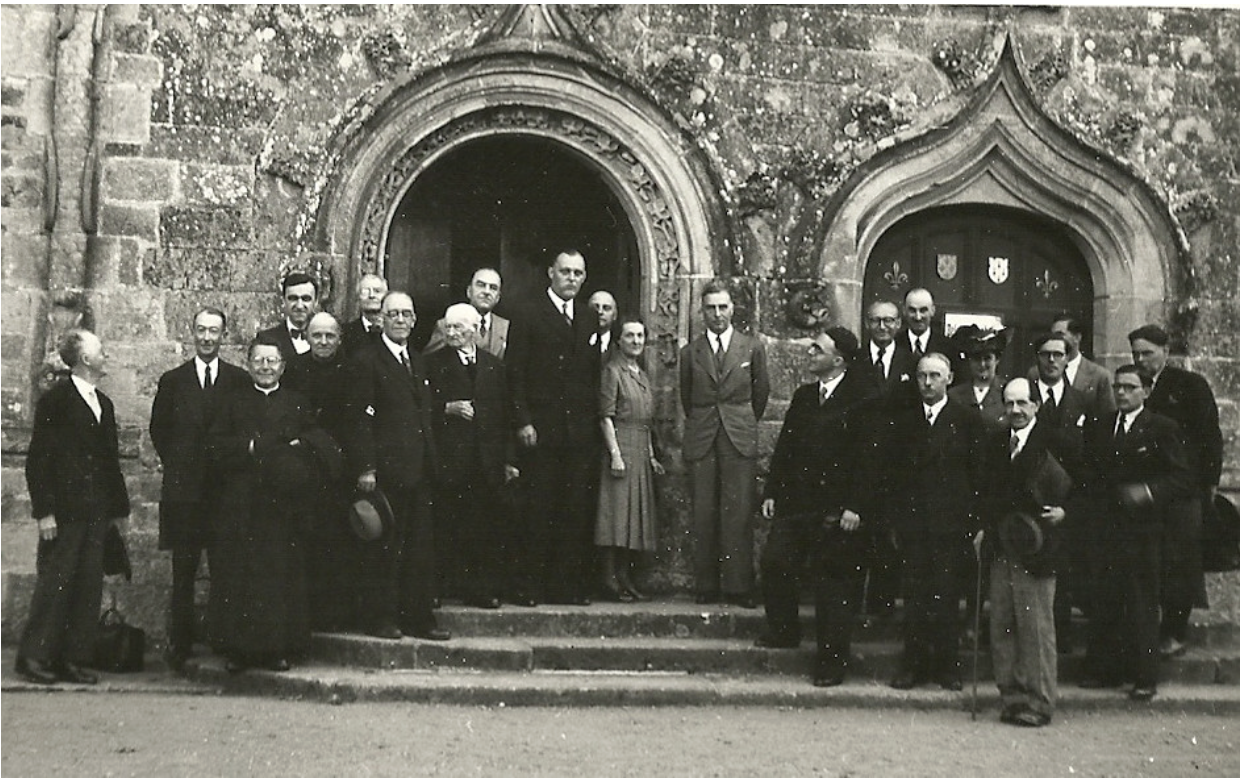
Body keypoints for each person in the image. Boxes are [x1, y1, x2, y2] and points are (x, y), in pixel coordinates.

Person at [755, 326, 877, 687]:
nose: (809, 354)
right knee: (775, 562)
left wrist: (856, 506)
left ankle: (831, 661)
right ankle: (783, 630)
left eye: (817, 350)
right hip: (797, 505)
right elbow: (785, 448)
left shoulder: (864, 399)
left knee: (834, 586)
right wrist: (773, 491)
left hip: (838, 511)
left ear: (838, 360)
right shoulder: (804, 397)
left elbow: (870, 461)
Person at [206, 336, 329, 673]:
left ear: (282, 367)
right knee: (240, 577)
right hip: (242, 505)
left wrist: (293, 450)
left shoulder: (297, 403)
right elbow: (215, 447)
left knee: (279, 577)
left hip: (281, 507)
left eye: (272, 361)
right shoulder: (232, 403)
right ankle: (238, 651)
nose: (265, 367)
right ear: (249, 365)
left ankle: (278, 649)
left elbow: (313, 442)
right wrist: (251, 447)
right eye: (258, 361)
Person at [17, 329, 130, 685]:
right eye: (100, 350)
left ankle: (72, 657)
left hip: (96, 510)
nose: (105, 354)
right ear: (84, 358)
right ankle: (35, 657)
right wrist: (44, 512)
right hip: (64, 512)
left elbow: (110, 462)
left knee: (87, 586)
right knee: (56, 583)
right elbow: (39, 460)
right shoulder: (56, 402)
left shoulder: (104, 404)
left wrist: (117, 510)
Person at [1079, 364, 1193, 701]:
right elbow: (1090, 472)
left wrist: (1147, 491)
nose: (1122, 393)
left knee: (1142, 603)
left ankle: (1145, 677)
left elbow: (1183, 478)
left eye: (1130, 387)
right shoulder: (1101, 426)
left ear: (1145, 391)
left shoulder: (1161, 428)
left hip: (1143, 531)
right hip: (1106, 529)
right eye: (1117, 387)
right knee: (1106, 599)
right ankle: (1105, 671)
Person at [343, 292, 449, 640]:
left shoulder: (418, 361)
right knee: (384, 547)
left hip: (419, 470)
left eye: (406, 314)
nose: (400, 320)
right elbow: (359, 419)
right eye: (393, 314)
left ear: (415, 320)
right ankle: (381, 618)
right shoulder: (366, 361)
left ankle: (418, 618)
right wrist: (366, 467)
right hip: (385, 472)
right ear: (381, 320)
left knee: (419, 548)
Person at [149, 308, 249, 670]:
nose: (207, 338)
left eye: (214, 331)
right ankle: (181, 642)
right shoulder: (173, 381)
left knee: (226, 570)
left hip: (224, 494)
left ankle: (226, 640)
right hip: (186, 493)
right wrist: (182, 465)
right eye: (201, 330)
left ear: (224, 335)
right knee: (184, 571)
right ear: (192, 332)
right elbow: (159, 431)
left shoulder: (238, 380)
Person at [977, 378, 1076, 727]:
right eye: (1009, 403)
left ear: (1036, 405)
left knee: (1035, 626)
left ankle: (1040, 700)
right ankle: (1013, 695)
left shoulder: (1057, 442)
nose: (1015, 410)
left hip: (1038, 548)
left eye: (1022, 403)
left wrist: (1068, 512)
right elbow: (984, 491)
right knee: (1002, 623)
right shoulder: (994, 443)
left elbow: (1088, 487)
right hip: (1002, 545)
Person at [506, 250, 600, 606]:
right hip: (541, 430)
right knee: (537, 509)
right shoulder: (527, 313)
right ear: (551, 273)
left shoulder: (589, 318)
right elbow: (515, 372)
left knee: (573, 509)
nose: (571, 278)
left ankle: (566, 586)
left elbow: (591, 376)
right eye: (565, 272)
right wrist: (524, 421)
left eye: (578, 272)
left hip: (577, 433)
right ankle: (529, 586)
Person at [886, 353, 982, 691]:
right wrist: (897, 522)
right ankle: (912, 665)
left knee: (945, 596)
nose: (928, 383)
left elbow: (977, 475)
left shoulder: (966, 420)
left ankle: (946, 666)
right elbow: (894, 475)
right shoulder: (904, 420)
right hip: (914, 525)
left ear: (949, 378)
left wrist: (973, 523)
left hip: (950, 527)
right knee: (914, 598)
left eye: (935, 376)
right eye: (923, 376)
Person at [1129, 324, 1222, 658]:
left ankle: (1174, 632)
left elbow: (1210, 437)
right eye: (1136, 354)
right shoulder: (1136, 387)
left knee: (1180, 562)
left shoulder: (1188, 385)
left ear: (1165, 351)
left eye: (1147, 353)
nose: (1141, 360)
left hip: (1184, 490)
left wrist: (1208, 484)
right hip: (1148, 490)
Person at [680, 280, 770, 607]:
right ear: (702, 312)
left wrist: (739, 419)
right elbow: (687, 398)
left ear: (733, 309)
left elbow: (761, 394)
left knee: (739, 512)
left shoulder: (751, 347)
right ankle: (706, 585)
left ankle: (738, 587)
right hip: (703, 435)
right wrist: (708, 420)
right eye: (710, 308)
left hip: (739, 435)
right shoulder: (690, 353)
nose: (717, 314)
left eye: (723, 307)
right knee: (704, 513)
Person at [426, 303, 519, 609]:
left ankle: (479, 589)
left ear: (475, 331)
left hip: (486, 460)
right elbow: (420, 409)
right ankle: (439, 587)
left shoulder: (494, 366)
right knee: (446, 523)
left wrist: (508, 459)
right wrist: (446, 409)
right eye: (448, 328)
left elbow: (504, 415)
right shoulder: (431, 363)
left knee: (482, 526)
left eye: (459, 328)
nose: (452, 334)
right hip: (450, 459)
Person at [284, 312, 356, 632]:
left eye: (330, 336)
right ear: (307, 337)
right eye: (317, 336)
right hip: (307, 465)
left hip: (341, 467)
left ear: (339, 338)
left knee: (339, 542)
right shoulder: (295, 369)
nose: (324, 342)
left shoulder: (351, 369)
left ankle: (336, 616)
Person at [1029, 331, 1094, 651]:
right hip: (1028, 503)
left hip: (1066, 504)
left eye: (1058, 354)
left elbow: (1090, 461)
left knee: (1063, 575)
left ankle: (1061, 641)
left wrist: (1071, 508)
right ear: (1037, 359)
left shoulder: (1083, 401)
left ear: (1068, 358)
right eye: (1045, 354)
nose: (1052, 360)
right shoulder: (1022, 397)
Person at [852, 299, 914, 617]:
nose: (883, 327)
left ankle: (882, 606)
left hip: (896, 468)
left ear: (898, 325)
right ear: (867, 324)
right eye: (876, 321)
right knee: (857, 539)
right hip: (861, 466)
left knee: (889, 541)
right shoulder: (856, 362)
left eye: (889, 321)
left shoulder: (910, 362)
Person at [596, 315, 664, 602]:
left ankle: (626, 578)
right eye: (630, 336)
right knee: (615, 517)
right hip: (620, 446)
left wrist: (651, 456)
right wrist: (615, 455)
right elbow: (605, 416)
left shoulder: (643, 373)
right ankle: (609, 579)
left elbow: (646, 421)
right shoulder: (613, 370)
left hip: (639, 449)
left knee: (633, 518)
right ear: (619, 340)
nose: (636, 342)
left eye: (640, 336)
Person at [1026, 313, 1115, 416]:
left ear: (1077, 337)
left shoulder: (1100, 376)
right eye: (1052, 335)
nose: (1054, 339)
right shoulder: (1035, 373)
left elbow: (1108, 417)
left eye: (1060, 334)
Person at [425, 267, 510, 358]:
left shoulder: (505, 327)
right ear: (469, 291)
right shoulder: (445, 325)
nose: (487, 292)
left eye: (493, 288)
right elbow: (431, 362)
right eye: (481, 285)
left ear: (498, 297)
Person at [948, 325, 1009, 433]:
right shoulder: (954, 395)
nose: (982, 364)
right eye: (976, 358)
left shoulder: (1008, 391)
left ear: (997, 360)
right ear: (969, 361)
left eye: (987, 358)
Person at [256, 271, 319, 360]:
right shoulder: (266, 338)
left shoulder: (328, 338)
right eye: (293, 298)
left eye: (306, 299)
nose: (299, 306)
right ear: (284, 301)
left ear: (316, 302)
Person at [340, 273, 388, 356]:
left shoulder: (395, 330)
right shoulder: (345, 333)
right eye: (365, 291)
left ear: (386, 296)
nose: (371, 295)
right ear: (358, 297)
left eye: (377, 291)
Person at [901, 288, 956, 360]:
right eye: (912, 310)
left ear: (932, 311)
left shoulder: (949, 347)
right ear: (904, 311)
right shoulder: (894, 343)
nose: (918, 317)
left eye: (923, 310)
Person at [587, 290, 619, 361]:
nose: (600, 312)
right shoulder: (576, 343)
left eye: (606, 308)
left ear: (615, 315)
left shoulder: (620, 348)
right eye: (595, 307)